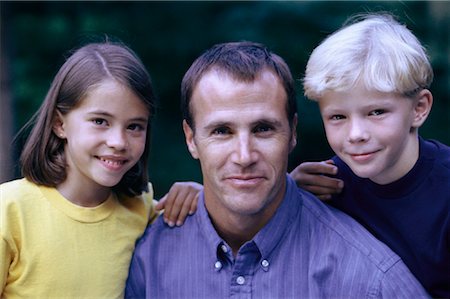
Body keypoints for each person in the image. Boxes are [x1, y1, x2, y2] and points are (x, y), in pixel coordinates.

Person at [125, 41, 428, 298]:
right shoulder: (148, 259)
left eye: (263, 129)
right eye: (222, 131)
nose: (244, 156)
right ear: (191, 139)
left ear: (293, 132)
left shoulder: (367, 278)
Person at [0, 41, 201, 298]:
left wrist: (195, 196)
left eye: (134, 126)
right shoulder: (9, 210)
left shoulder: (142, 210)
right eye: (100, 121)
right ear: (59, 124)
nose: (118, 142)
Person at [289, 14, 449, 298]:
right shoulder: (322, 186)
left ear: (419, 108)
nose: (356, 134)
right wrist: (287, 194)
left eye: (376, 112)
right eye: (338, 116)